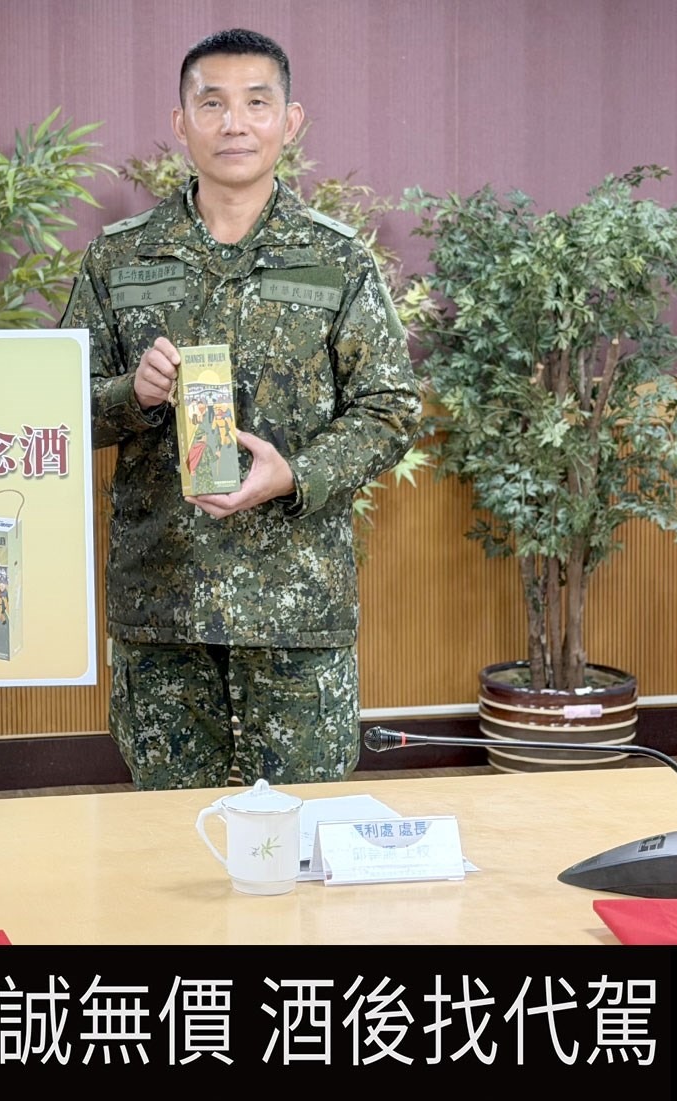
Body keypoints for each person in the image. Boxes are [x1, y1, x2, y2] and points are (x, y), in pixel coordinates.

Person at [60, 28, 421, 791]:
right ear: (180, 121)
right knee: (169, 840)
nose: (234, 124)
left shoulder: (337, 260)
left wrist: (296, 473)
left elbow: (390, 407)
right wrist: (133, 395)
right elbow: (57, 412)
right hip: (164, 610)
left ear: (290, 122)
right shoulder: (119, 259)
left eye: (257, 103)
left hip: (296, 613)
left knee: (301, 834)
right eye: (212, 104)